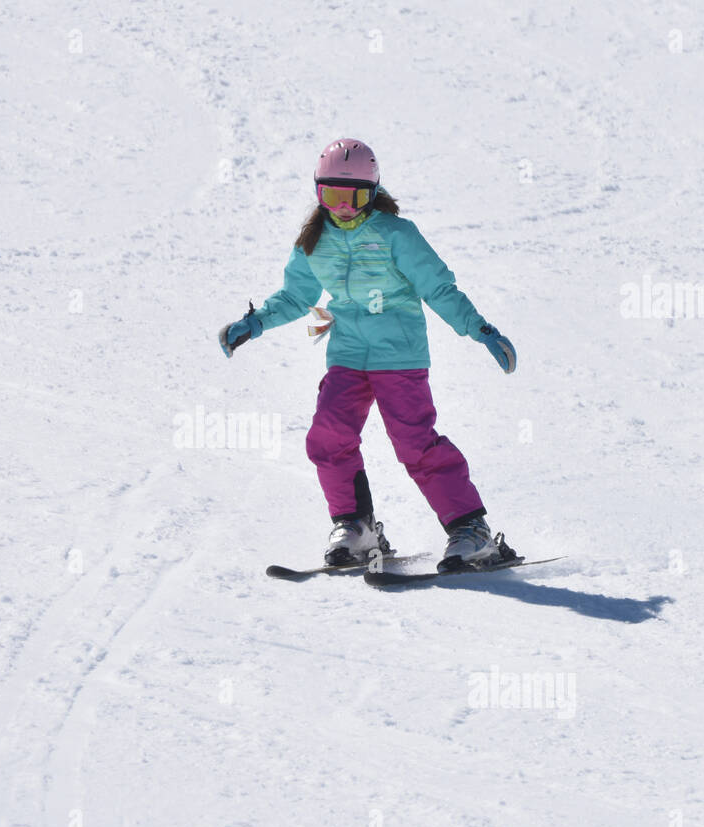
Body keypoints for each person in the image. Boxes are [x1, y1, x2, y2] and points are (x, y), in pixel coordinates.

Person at [219, 138, 517, 571]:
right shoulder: (314, 240)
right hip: (347, 355)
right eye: (331, 196)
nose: (342, 206)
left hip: (399, 356)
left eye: (353, 196)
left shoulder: (397, 234)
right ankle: (356, 527)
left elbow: (438, 288)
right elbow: (296, 295)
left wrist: (480, 330)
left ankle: (472, 531)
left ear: (372, 193)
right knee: (327, 438)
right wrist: (256, 322)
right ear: (318, 193)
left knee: (416, 443)